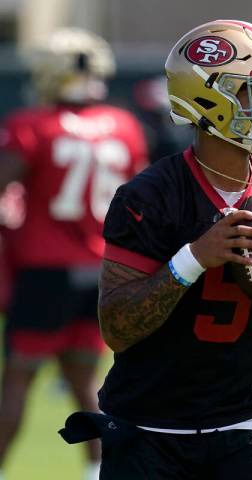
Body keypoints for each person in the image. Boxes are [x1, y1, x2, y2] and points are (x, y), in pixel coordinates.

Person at [59, 20, 252, 480]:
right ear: (211, 99)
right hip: (147, 428)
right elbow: (118, 328)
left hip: (244, 424)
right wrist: (193, 259)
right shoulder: (149, 198)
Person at [0, 28, 147, 480]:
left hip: (46, 269)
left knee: (19, 379)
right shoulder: (125, 126)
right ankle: (97, 473)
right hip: (102, 269)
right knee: (86, 381)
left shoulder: (31, 125)